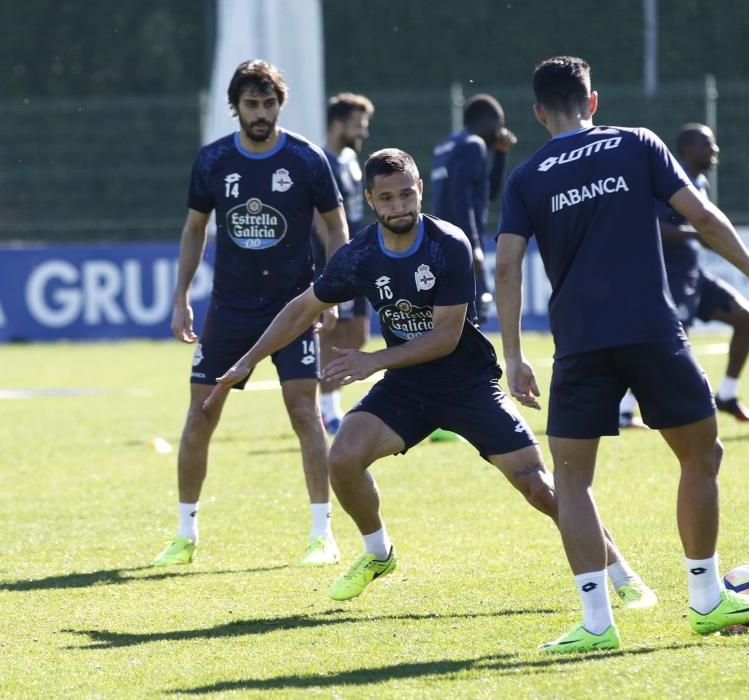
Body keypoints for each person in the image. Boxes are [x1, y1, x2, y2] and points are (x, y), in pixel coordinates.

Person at [206, 148, 657, 608]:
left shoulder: (448, 244)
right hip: (408, 387)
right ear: (371, 200)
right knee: (341, 459)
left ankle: (622, 573)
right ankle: (378, 553)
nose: (399, 206)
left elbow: (445, 338)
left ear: (419, 189)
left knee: (540, 487)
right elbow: (303, 307)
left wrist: (373, 360)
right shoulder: (359, 256)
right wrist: (249, 359)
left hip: (468, 385)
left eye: (406, 194)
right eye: (387, 198)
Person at [495, 56, 749, 652]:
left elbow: (506, 266)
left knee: (573, 481)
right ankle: (707, 599)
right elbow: (704, 218)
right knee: (700, 455)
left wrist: (512, 354)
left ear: (538, 113)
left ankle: (595, 624)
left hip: (579, 343)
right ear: (594, 101)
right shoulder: (636, 144)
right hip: (653, 332)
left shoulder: (527, 176)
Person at [152, 59, 349, 569]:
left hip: (294, 308)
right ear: (235, 107)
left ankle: (321, 535)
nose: (260, 113)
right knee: (201, 414)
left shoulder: (307, 159)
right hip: (230, 309)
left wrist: (331, 294)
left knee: (305, 415)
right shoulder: (213, 160)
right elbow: (195, 229)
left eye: (268, 103)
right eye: (251, 104)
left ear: (280, 105)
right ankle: (184, 533)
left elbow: (336, 227)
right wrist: (181, 297)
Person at [619, 123, 749, 428]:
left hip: (695, 275)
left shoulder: (701, 183)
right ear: (687, 149)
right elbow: (651, 226)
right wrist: (692, 233)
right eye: (706, 145)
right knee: (664, 344)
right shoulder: (670, 179)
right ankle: (624, 409)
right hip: (668, 276)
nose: (715, 150)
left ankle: (727, 394)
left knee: (746, 317)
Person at [312, 93, 375, 435]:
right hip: (335, 262)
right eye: (357, 125)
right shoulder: (322, 161)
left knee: (358, 333)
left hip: (358, 260)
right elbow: (320, 219)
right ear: (338, 124)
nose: (363, 132)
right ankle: (326, 409)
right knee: (332, 333)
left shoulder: (351, 161)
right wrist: (336, 263)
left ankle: (329, 404)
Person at [431, 94, 517, 326]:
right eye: (499, 124)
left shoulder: (445, 145)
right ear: (487, 120)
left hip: (437, 244)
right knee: (474, 316)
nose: (501, 131)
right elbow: (462, 197)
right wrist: (473, 244)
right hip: (460, 246)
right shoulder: (473, 144)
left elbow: (486, 193)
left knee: (449, 320)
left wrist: (500, 153)